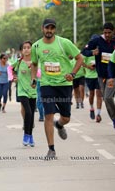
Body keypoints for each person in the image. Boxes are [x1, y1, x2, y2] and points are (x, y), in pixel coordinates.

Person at [30, 19, 83, 158]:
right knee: (48, 115)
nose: (49, 31)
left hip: (64, 85)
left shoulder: (64, 43)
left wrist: (72, 73)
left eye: (52, 28)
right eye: (47, 28)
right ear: (42, 29)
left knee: (66, 118)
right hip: (47, 85)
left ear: (55, 30)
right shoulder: (36, 46)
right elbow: (34, 64)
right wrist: (34, 78)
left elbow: (80, 58)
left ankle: (59, 125)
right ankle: (51, 149)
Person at [82, 22, 115, 126]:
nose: (107, 35)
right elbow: (84, 51)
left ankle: (114, 120)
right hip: (101, 75)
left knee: (108, 97)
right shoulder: (96, 41)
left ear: (113, 32)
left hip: (112, 76)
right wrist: (92, 52)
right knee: (106, 98)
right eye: (105, 33)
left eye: (109, 33)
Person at [13, 41, 36, 147]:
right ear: (21, 51)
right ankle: (26, 135)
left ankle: (30, 136)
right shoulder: (18, 62)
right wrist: (13, 77)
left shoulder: (35, 62)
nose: (26, 49)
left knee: (32, 114)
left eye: (28, 47)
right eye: (24, 48)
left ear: (32, 49)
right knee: (28, 112)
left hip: (33, 90)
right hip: (22, 90)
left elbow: (39, 74)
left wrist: (34, 71)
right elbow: (10, 69)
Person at [82, 35, 103, 122]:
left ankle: (98, 114)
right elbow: (81, 62)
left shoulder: (101, 51)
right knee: (91, 94)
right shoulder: (88, 52)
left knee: (99, 94)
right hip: (89, 76)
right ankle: (91, 108)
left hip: (99, 75)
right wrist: (88, 67)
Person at [107, 50, 115, 128]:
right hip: (113, 78)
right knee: (107, 97)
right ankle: (114, 118)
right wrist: (111, 77)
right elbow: (111, 64)